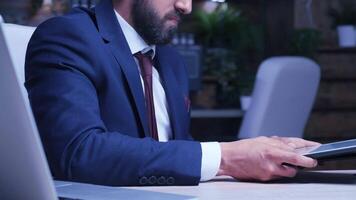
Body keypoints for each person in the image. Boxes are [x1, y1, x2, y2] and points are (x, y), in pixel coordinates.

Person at [25, 0, 319, 186]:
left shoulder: (171, 61)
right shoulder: (66, 36)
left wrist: (260, 155)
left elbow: (174, 149)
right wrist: (227, 156)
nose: (186, 6)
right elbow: (79, 151)